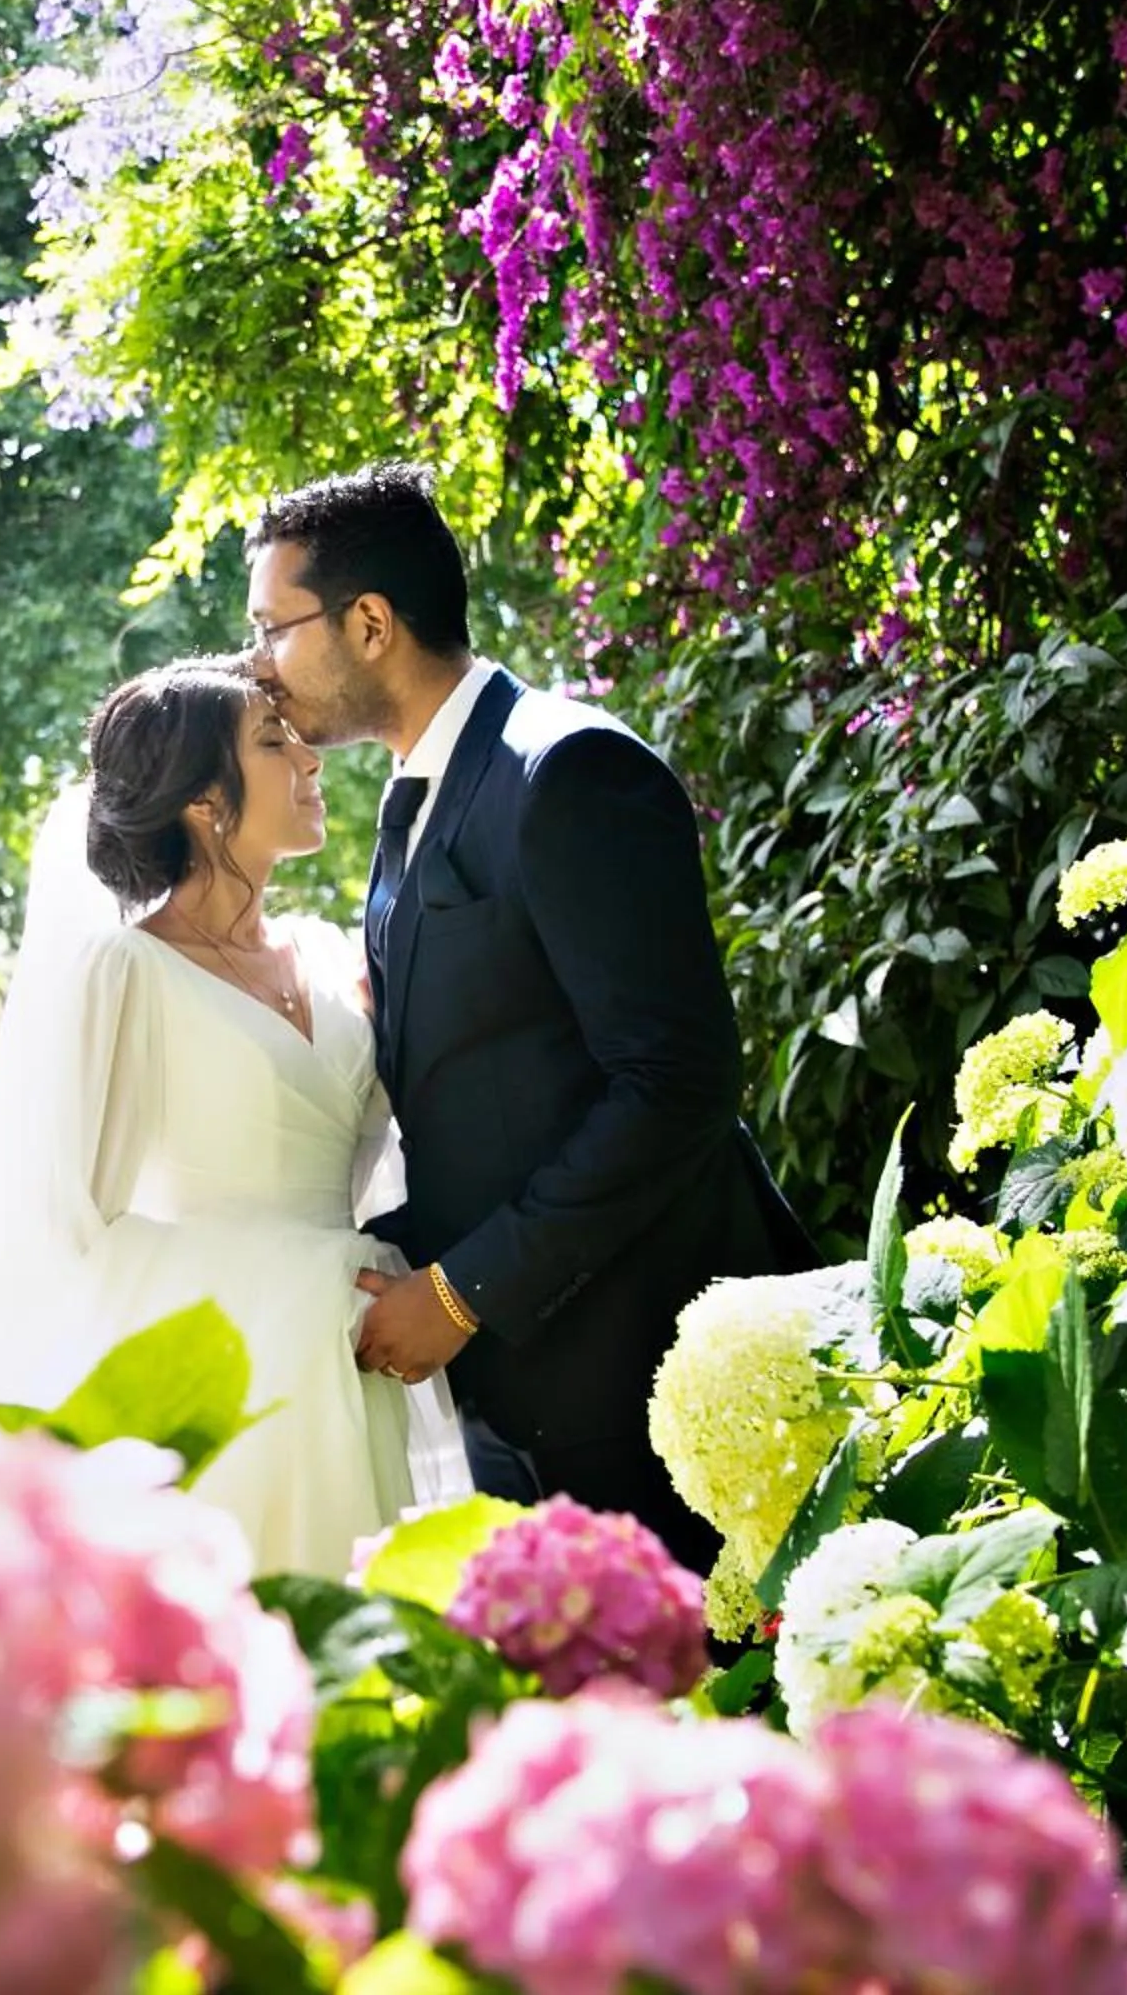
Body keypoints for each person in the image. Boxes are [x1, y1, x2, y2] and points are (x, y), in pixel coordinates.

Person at [243, 463, 814, 1575]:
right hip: (527, 1386)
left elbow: (675, 1082)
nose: (258, 662)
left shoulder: (566, 771)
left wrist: (462, 1292)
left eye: (274, 627)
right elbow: (484, 1093)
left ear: (368, 623)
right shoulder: (411, 803)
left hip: (661, 1371)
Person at [0, 658, 468, 1575]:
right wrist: (291, 1285)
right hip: (232, 1376)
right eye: (272, 741)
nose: (311, 759)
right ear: (202, 802)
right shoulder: (125, 974)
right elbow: (64, 1231)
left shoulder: (335, 960)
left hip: (349, 1358)